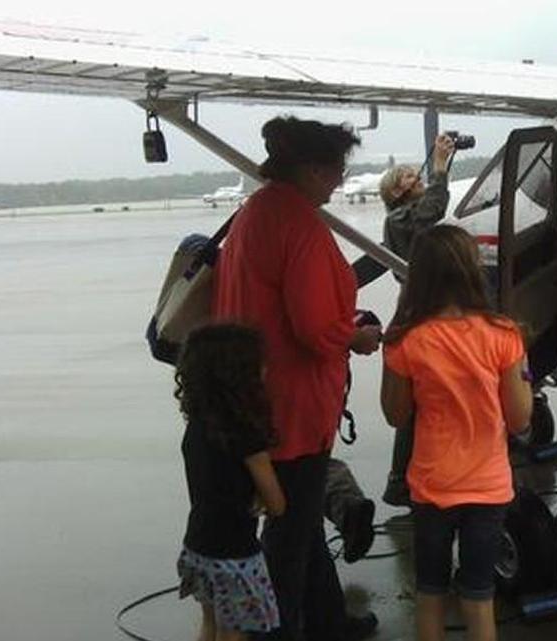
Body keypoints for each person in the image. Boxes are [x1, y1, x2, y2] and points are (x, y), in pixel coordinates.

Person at [212, 115, 382, 641]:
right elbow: (313, 327)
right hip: (295, 403)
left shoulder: (255, 212)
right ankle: (277, 630)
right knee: (287, 534)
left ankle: (328, 620)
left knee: (303, 521)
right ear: (312, 169)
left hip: (258, 391)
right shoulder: (301, 225)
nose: (339, 180)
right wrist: (355, 336)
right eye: (336, 169)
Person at [380, 225, 533, 641]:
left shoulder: (406, 341)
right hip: (487, 487)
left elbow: (395, 415)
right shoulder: (504, 334)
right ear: (471, 270)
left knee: (430, 593)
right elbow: (520, 419)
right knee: (479, 597)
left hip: (432, 485)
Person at [174, 324, 284, 641]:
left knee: (210, 626)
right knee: (234, 634)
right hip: (236, 556)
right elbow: (277, 505)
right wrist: (261, 496)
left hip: (198, 546)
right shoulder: (246, 435)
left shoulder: (197, 426)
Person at [377, 133, 456, 507]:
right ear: (395, 193)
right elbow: (432, 209)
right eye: (408, 177)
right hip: (422, 311)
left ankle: (405, 477)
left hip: (420, 307)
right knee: (418, 399)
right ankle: (402, 479)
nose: (416, 178)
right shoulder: (400, 218)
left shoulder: (403, 219)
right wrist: (439, 166)